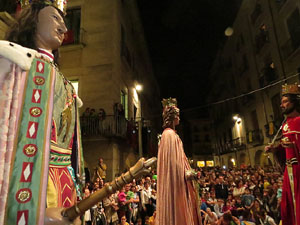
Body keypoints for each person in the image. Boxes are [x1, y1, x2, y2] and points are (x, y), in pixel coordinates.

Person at [0, 1, 84, 224]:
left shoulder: (66, 85)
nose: (64, 28)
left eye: (64, 22)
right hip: (29, 186)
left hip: (66, 186)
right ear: (34, 20)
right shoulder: (12, 62)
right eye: (56, 18)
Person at [156, 98, 201, 225]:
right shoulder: (170, 135)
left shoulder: (168, 135)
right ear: (172, 117)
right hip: (177, 185)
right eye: (178, 116)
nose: (179, 119)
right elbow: (174, 165)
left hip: (177, 182)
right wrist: (189, 174)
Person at [265, 83, 300, 225]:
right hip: (289, 171)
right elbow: (284, 149)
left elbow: (293, 145)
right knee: (288, 205)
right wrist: (276, 149)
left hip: (299, 170)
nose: (281, 105)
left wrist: (294, 146)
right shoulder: (285, 124)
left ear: (295, 102)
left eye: (285, 102)